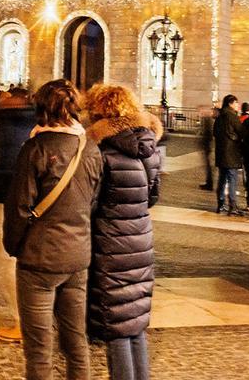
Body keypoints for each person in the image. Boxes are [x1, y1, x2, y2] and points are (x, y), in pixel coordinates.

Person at [3, 79, 103, 380]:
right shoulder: (91, 149)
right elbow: (93, 201)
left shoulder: (35, 149)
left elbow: (19, 206)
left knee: (39, 349)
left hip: (39, 259)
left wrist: (14, 246)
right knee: (76, 342)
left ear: (42, 108)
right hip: (77, 256)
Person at [84, 85, 161, 380]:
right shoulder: (150, 147)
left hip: (110, 240)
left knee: (115, 324)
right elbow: (152, 196)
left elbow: (91, 201)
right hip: (140, 236)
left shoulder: (102, 150)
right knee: (135, 321)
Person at [0, 85, 38, 343]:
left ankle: (24, 322)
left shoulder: (12, 122)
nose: (1, 100)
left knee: (8, 261)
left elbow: (13, 164)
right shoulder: (34, 120)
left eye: (6, 98)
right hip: (24, 197)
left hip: (11, 197)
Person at [214, 94, 243, 215]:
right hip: (231, 153)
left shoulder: (219, 117)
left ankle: (220, 205)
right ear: (231, 103)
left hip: (221, 152)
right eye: (236, 103)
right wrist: (236, 138)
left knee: (222, 179)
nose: (237, 105)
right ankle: (233, 205)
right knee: (232, 179)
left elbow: (215, 132)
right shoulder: (232, 116)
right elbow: (241, 131)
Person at [197, 106, 215, 190]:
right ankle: (209, 182)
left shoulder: (207, 120)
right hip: (207, 146)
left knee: (209, 166)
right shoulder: (206, 120)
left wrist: (205, 145)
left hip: (207, 146)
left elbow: (208, 134)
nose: (199, 113)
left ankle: (209, 184)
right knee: (208, 166)